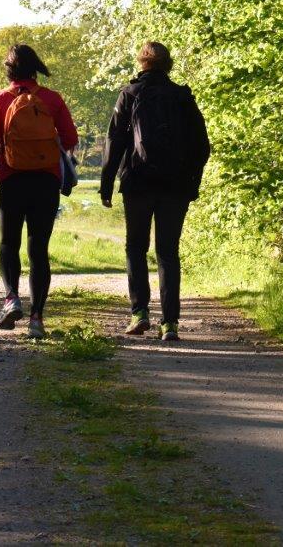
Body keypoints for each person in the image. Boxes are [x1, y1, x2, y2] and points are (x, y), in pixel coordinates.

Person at [100, 42, 210, 341]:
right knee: (167, 253)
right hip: (175, 186)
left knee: (135, 247)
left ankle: (139, 314)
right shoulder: (182, 97)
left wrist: (107, 183)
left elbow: (115, 142)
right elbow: (202, 146)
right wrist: (192, 182)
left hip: (138, 182)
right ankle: (170, 324)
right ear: (168, 64)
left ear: (142, 63)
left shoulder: (129, 94)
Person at [0, 44, 79, 339]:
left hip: (11, 179)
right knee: (39, 249)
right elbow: (70, 138)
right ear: (35, 68)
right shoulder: (52, 99)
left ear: (9, 71)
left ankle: (11, 300)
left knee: (9, 243)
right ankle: (37, 319)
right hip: (45, 181)